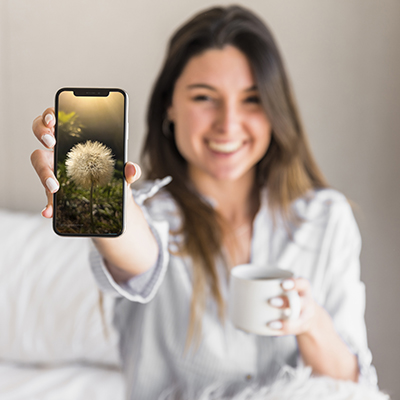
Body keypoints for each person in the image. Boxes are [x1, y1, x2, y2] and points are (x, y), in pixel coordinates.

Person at [31, 5, 377, 399]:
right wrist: (108, 199)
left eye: (251, 99)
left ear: (275, 109)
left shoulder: (326, 219)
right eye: (204, 97)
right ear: (169, 106)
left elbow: (354, 387)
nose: (228, 124)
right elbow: (138, 255)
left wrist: (311, 322)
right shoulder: (153, 215)